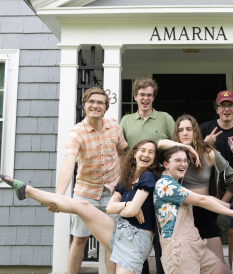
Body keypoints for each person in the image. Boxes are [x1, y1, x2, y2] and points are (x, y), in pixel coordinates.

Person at [1, 139, 162, 274]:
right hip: (121, 229)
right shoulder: (126, 178)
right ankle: (27, 191)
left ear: (155, 159)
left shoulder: (148, 177)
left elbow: (132, 211)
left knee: (83, 206)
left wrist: (127, 207)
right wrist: (127, 205)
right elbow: (110, 209)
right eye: (142, 150)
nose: (146, 154)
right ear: (134, 154)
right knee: (83, 204)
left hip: (136, 240)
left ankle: (36, 194)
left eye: (151, 152)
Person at [47, 87, 127, 274]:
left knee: (111, 241)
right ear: (84, 105)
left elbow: (122, 153)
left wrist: (122, 184)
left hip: (112, 193)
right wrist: (59, 197)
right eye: (91, 101)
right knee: (79, 239)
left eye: (100, 102)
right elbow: (68, 165)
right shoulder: (76, 133)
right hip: (85, 194)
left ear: (106, 107)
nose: (95, 105)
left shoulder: (114, 127)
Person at [158, 114, 233, 265]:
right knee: (187, 264)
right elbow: (159, 143)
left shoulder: (209, 154)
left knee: (218, 264)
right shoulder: (172, 154)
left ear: (195, 131)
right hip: (181, 215)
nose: (185, 133)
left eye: (189, 129)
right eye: (181, 130)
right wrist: (187, 148)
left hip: (204, 212)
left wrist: (219, 204)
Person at [120, 77, 175, 274]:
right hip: (134, 182)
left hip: (159, 183)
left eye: (149, 95)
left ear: (153, 97)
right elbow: (122, 153)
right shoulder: (126, 121)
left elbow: (174, 147)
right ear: (135, 97)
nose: (146, 99)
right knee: (137, 229)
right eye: (142, 95)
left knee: (161, 233)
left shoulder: (165, 118)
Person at [200, 90, 233, 267]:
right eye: (222, 106)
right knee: (206, 236)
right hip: (208, 191)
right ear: (216, 109)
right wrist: (203, 145)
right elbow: (193, 159)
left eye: (230, 105)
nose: (226, 109)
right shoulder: (205, 129)